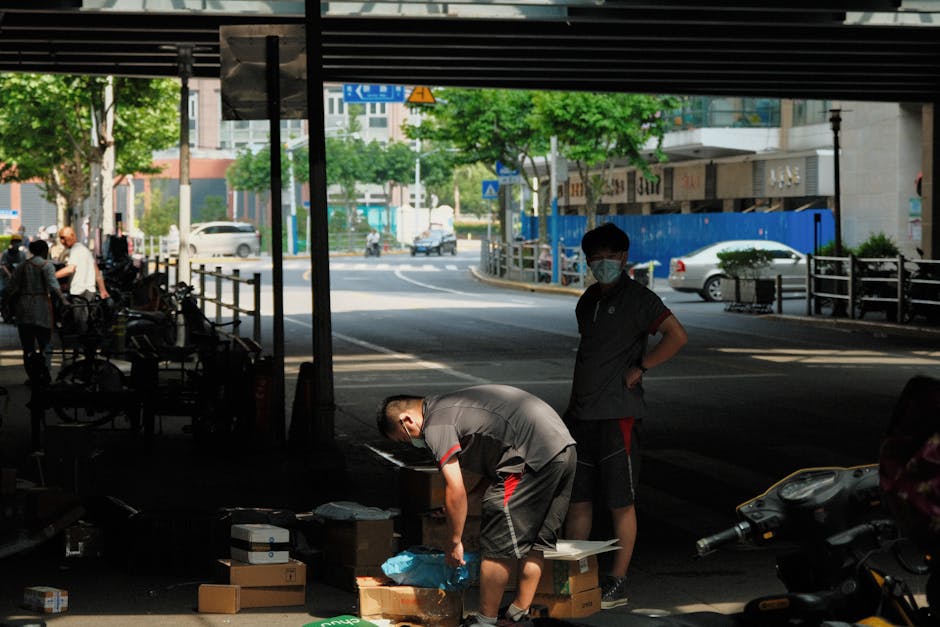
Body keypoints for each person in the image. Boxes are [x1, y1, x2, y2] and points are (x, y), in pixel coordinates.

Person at [377, 384, 577, 626]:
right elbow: (497, 459)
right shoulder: (453, 406)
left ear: (406, 419)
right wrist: (474, 496)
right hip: (563, 448)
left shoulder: (435, 424)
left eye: (405, 439)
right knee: (535, 542)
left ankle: (485, 621)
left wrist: (453, 542)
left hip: (532, 456)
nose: (412, 443)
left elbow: (455, 488)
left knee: (496, 543)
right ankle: (516, 614)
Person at [564, 222, 688, 609]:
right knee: (578, 501)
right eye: (595, 258)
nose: (603, 264)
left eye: (610, 257)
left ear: (624, 258)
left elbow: (677, 335)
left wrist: (643, 367)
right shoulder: (587, 301)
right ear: (587, 262)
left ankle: (617, 580)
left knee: (621, 501)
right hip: (583, 415)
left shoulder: (641, 299)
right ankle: (577, 576)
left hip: (619, 417)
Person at [8, 239, 66, 383]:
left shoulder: (21, 266)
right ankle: (45, 373)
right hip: (41, 307)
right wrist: (65, 301)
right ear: (45, 251)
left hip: (23, 308)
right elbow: (54, 285)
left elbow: (12, 287)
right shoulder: (47, 266)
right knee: (45, 343)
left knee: (27, 347)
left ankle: (32, 376)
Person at [54, 225, 109, 301]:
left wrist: (53, 276)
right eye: (60, 238)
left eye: (64, 237)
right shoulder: (85, 250)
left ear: (72, 236)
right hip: (89, 292)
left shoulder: (76, 250)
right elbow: (97, 272)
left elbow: (70, 269)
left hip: (79, 292)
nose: (62, 241)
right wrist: (103, 290)